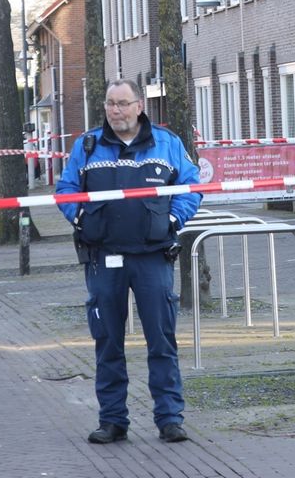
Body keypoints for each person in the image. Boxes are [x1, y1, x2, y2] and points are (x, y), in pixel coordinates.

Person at [56, 79, 202, 445]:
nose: (115, 110)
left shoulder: (167, 143)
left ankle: (169, 418)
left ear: (139, 106)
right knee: (107, 341)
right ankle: (112, 420)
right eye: (110, 103)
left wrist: (172, 221)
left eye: (122, 103)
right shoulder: (88, 145)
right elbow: (66, 190)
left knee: (162, 340)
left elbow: (191, 186)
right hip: (103, 257)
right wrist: (81, 218)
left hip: (152, 257)